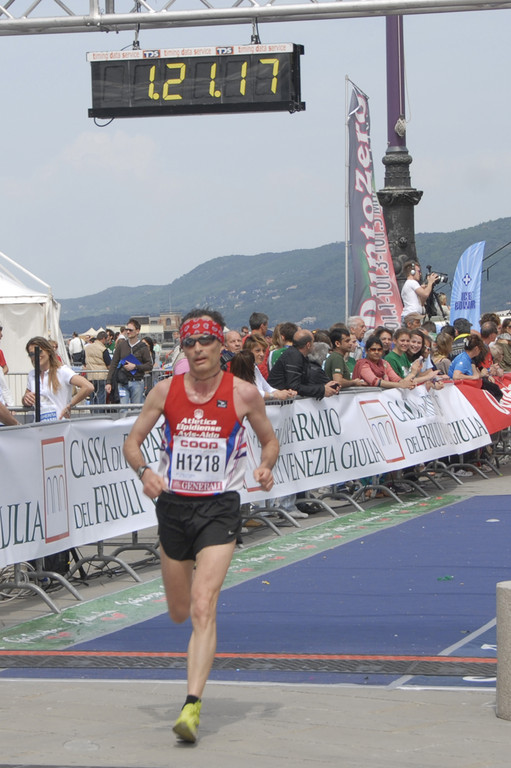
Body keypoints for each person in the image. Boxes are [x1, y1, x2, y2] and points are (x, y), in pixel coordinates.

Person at [123, 308, 279, 744]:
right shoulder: (164, 390)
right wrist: (144, 473)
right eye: (189, 343)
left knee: (202, 604)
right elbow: (132, 443)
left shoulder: (244, 393)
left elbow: (269, 441)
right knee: (178, 611)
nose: (197, 350)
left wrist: (266, 467)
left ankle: (191, 705)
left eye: (205, 341)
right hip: (173, 508)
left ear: (220, 345)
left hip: (219, 508)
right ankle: (191, 682)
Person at [22, 336, 94, 420]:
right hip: (39, 425)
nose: (36, 356)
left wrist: (70, 405)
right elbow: (26, 399)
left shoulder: (62, 371)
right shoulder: (32, 375)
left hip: (59, 424)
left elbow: (88, 387)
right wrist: (25, 399)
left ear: (48, 351)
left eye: (39, 351)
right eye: (31, 354)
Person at [268, 329, 339, 399]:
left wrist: (325, 385)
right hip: (278, 400)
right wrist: (322, 390)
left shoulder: (298, 356)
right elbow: (294, 386)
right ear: (308, 345)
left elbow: (303, 382)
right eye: (313, 342)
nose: (314, 345)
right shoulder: (294, 357)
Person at [106, 318, 153, 405]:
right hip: (122, 382)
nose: (128, 332)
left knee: (136, 409)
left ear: (137, 331)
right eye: (127, 330)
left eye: (130, 330)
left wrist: (135, 366)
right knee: (123, 409)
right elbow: (113, 364)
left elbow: (149, 365)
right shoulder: (121, 345)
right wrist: (108, 382)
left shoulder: (143, 347)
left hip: (137, 382)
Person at [241, 335, 296, 400]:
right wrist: (274, 395)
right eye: (258, 351)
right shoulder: (242, 368)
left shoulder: (255, 368)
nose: (262, 354)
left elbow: (268, 388)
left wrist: (286, 393)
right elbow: (251, 392)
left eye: (264, 351)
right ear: (248, 351)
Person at [85, 330, 110, 406]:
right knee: (101, 397)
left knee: (92, 397)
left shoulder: (87, 348)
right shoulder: (103, 349)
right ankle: (100, 412)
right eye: (106, 339)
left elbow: (83, 361)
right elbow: (109, 364)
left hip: (90, 376)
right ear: (103, 339)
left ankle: (93, 412)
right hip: (101, 375)